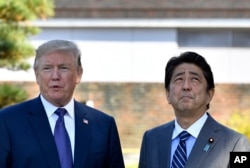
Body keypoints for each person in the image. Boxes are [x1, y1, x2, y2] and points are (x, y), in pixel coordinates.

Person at [0, 40, 125, 168]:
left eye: (63, 68)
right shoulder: (7, 121)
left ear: (78, 74)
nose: (55, 76)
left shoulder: (103, 125)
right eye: (47, 68)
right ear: (37, 75)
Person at [139, 51, 250, 168]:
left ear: (210, 94)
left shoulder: (236, 144)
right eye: (179, 79)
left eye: (195, 79)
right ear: (168, 94)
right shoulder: (151, 139)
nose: (186, 86)